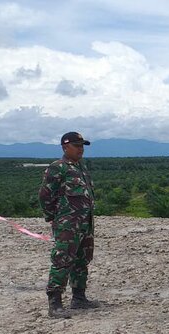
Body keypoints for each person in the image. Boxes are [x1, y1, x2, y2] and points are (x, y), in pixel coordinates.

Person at [39, 131, 100, 319]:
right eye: (77, 146)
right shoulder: (57, 168)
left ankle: (79, 297)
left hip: (85, 223)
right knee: (62, 260)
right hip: (68, 224)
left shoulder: (81, 167)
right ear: (65, 147)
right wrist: (54, 217)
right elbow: (45, 195)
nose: (81, 149)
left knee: (82, 259)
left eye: (82, 146)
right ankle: (55, 302)